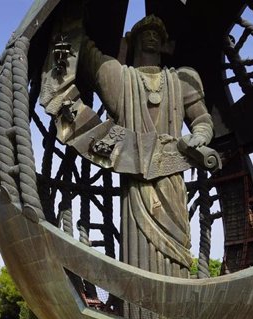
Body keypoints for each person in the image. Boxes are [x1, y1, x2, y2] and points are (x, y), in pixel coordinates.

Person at [78, 15, 215, 278]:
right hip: (136, 179)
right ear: (134, 40)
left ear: (165, 44)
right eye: (145, 32)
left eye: (157, 33)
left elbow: (202, 118)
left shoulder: (182, 80)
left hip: (172, 175)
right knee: (138, 242)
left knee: (177, 244)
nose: (152, 36)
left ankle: (177, 311)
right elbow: (88, 54)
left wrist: (200, 134)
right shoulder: (120, 79)